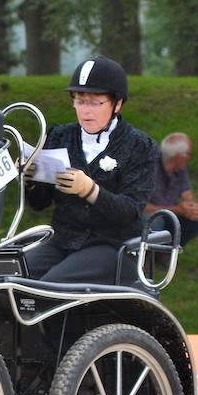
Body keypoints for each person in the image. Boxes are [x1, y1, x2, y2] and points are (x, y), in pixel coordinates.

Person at [24, 56, 159, 285]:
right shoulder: (59, 136)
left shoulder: (140, 146)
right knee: (11, 275)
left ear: (117, 104)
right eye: (80, 101)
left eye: (96, 103)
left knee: (48, 286)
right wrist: (31, 181)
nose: (86, 111)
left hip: (112, 247)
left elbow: (130, 211)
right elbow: (40, 203)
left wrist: (91, 190)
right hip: (63, 241)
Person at [144, 133, 198, 245]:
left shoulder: (180, 169)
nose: (190, 158)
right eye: (189, 154)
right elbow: (140, 207)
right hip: (149, 216)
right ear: (180, 156)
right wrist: (177, 209)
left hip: (170, 214)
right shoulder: (148, 169)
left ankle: (171, 249)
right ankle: (148, 252)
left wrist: (191, 207)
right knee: (155, 222)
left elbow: (187, 194)